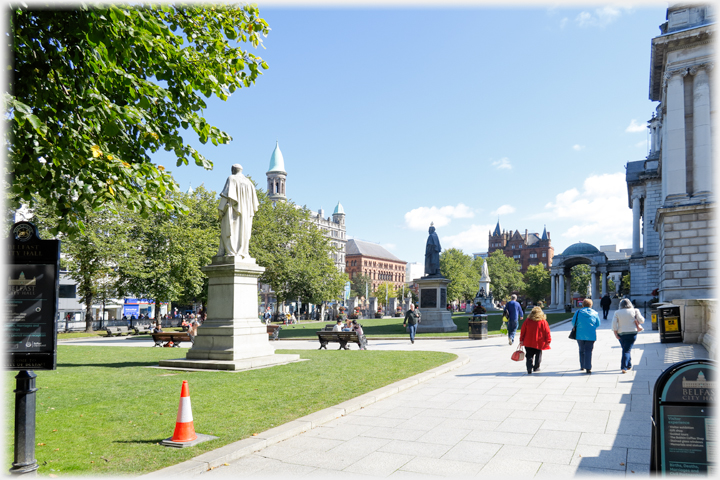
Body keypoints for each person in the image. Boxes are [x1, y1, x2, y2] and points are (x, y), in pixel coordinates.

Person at [217, 164, 259, 258]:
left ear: (232, 170)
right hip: (246, 214)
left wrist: (220, 209)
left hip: (232, 211)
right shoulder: (249, 183)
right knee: (243, 231)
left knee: (229, 230)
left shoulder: (231, 178)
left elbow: (225, 195)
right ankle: (243, 251)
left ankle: (231, 252)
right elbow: (254, 205)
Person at [612, 298, 646, 373]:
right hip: (632, 333)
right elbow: (642, 320)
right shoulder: (635, 310)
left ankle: (625, 366)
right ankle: (627, 366)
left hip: (621, 333)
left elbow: (614, 324)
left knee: (625, 349)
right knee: (627, 350)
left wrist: (615, 334)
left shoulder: (617, 312)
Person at [519, 306, 552, 374]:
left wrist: (521, 339)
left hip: (528, 341)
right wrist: (548, 340)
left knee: (529, 355)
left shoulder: (527, 321)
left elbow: (523, 331)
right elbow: (547, 332)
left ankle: (529, 367)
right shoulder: (543, 322)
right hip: (539, 341)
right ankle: (536, 367)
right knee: (538, 354)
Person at [572, 298, 601, 374]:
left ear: (583, 304)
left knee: (581, 350)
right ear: (591, 305)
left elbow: (573, 322)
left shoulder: (578, 312)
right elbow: (598, 324)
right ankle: (588, 367)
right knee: (588, 351)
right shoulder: (595, 313)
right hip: (591, 334)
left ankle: (582, 365)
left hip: (580, 334)